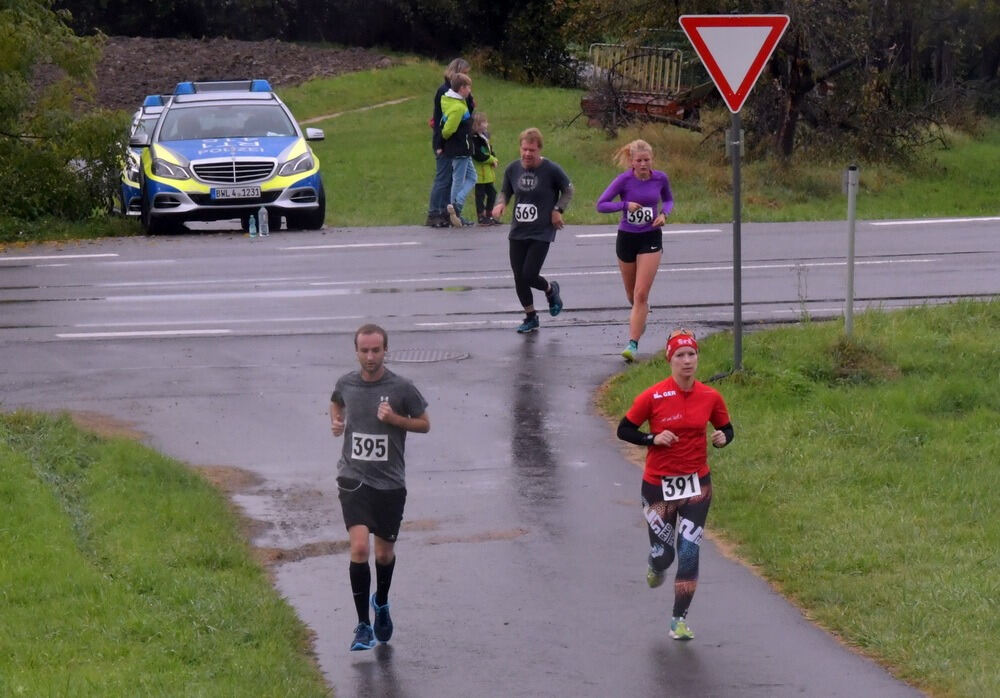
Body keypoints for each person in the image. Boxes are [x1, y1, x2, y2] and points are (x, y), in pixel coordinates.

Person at [616, 329, 734, 641]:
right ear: (670, 360)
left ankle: (678, 620)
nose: (686, 361)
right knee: (665, 555)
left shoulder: (710, 397)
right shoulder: (653, 396)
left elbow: (726, 428)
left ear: (697, 359)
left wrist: (723, 439)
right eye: (680, 355)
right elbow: (624, 429)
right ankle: (656, 565)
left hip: (697, 486)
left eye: (691, 354)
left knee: (689, 550)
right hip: (658, 489)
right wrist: (652, 438)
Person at [330, 324, 430, 651]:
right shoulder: (346, 383)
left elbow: (424, 423)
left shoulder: (402, 388)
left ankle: (381, 603)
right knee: (360, 549)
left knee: (384, 554)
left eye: (376, 350)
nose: (370, 357)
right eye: (364, 351)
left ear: (386, 350)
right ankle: (362, 626)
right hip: (353, 477)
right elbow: (336, 401)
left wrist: (396, 421)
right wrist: (336, 420)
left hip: (389, 483)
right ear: (356, 351)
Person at [596, 139, 674, 362]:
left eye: (646, 160)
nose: (643, 164)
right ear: (631, 161)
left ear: (652, 160)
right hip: (627, 238)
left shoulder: (660, 178)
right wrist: (624, 205)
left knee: (641, 294)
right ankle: (640, 318)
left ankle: (632, 344)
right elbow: (601, 205)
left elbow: (668, 199)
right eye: (639, 160)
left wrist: (664, 214)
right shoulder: (623, 180)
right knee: (632, 296)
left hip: (650, 237)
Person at [491, 128, 574, 333]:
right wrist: (500, 204)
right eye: (524, 149)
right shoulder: (512, 169)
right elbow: (505, 191)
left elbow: (568, 189)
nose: (528, 154)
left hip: (541, 231)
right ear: (520, 148)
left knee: (529, 274)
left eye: (532, 150)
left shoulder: (551, 169)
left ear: (539, 149)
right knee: (519, 277)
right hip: (518, 231)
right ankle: (530, 316)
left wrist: (557, 209)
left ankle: (550, 289)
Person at [426, 58, 473, 228]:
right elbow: (442, 120)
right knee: (443, 178)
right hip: (446, 140)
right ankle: (434, 213)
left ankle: (450, 214)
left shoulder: (460, 94)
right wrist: (439, 143)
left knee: (454, 179)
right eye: (465, 74)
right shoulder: (445, 92)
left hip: (458, 141)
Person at [440, 73, 479, 227]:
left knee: (472, 177)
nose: (470, 90)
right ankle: (455, 209)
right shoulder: (457, 107)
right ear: (462, 88)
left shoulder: (456, 102)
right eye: (468, 87)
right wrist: (448, 136)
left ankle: (456, 208)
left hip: (465, 148)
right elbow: (448, 129)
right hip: (460, 148)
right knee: (459, 179)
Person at [470, 111, 499, 225]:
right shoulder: (474, 139)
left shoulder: (485, 137)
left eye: (485, 122)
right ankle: (481, 216)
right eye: (483, 122)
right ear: (476, 125)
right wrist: (491, 159)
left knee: (492, 193)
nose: (485, 125)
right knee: (480, 195)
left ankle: (489, 214)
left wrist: (494, 158)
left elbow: (490, 150)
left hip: (487, 173)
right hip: (479, 173)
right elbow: (478, 155)